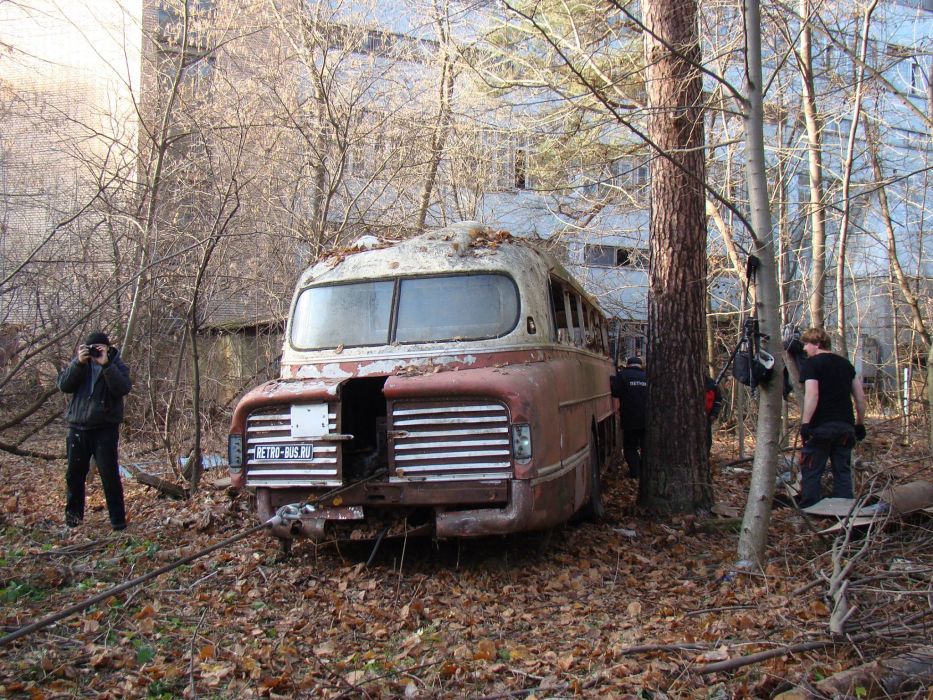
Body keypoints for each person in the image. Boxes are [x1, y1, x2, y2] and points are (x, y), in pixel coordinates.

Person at [58, 331, 132, 530]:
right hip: (78, 427)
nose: (96, 352)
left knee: (109, 476)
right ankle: (73, 521)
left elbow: (122, 388)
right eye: (93, 348)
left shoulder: (116, 363)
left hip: (105, 428)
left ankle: (118, 522)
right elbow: (64, 385)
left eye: (100, 348)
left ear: (108, 348)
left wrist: (106, 364)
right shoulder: (82, 364)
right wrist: (78, 363)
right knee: (74, 475)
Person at [798, 327, 867, 508]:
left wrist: (805, 423)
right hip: (845, 426)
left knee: (811, 468)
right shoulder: (846, 365)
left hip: (821, 426)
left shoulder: (812, 364)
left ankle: (810, 510)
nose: (804, 349)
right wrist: (859, 423)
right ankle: (843, 512)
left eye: (806, 344)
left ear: (817, 344)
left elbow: (812, 394)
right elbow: (860, 397)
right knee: (842, 471)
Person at [611, 356, 647, 479]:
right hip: (646, 419)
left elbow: (615, 393)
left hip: (629, 418)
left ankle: (635, 473)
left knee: (629, 448)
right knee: (645, 447)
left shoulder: (623, 376)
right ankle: (644, 472)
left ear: (628, 364)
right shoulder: (647, 376)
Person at [705, 376, 723, 455]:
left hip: (707, 418)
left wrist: (714, 414)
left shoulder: (712, 384)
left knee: (707, 440)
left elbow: (718, 400)